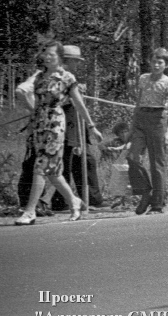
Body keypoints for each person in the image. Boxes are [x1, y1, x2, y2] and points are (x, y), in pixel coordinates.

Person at [16, 44, 104, 211]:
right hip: (42, 127)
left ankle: (36, 208)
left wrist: (91, 127)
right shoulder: (41, 76)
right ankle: (62, 201)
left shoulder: (68, 79)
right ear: (65, 60)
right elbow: (23, 91)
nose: (77, 64)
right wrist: (33, 109)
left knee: (49, 166)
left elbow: (78, 104)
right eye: (74, 61)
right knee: (51, 168)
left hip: (58, 127)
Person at [128, 47, 168, 215]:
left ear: (166, 65)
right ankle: (145, 191)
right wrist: (132, 127)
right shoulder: (143, 78)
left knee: (157, 164)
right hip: (141, 119)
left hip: (157, 121)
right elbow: (138, 103)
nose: (156, 65)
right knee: (133, 157)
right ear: (149, 62)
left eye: (160, 62)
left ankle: (157, 204)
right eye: (154, 61)